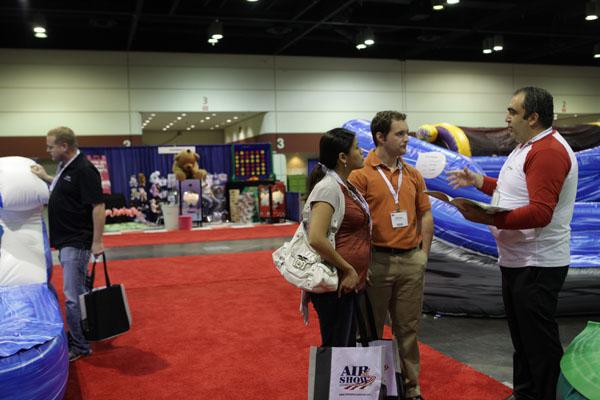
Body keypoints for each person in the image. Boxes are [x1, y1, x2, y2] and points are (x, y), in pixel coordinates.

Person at [447, 87, 578, 400]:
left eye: (512, 112)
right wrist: (480, 183)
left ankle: (543, 395)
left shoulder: (546, 151)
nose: (506, 119)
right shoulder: (528, 147)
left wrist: (488, 218)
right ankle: (526, 393)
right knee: (524, 340)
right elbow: (514, 189)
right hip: (520, 260)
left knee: (538, 342)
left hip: (537, 263)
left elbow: (541, 212)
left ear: (532, 118)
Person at [349, 111, 433, 400]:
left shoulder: (413, 175)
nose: (407, 138)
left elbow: (426, 214)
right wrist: (361, 263)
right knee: (370, 329)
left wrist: (424, 255)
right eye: (400, 133)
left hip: (411, 261)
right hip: (376, 262)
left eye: (407, 132)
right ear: (380, 137)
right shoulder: (360, 176)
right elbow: (353, 223)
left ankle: (412, 389)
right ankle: (370, 388)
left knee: (408, 330)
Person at [31, 126, 106, 362]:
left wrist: (97, 241)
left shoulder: (84, 169)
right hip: (67, 240)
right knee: (80, 294)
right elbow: (66, 189)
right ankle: (81, 333)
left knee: (72, 296)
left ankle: (80, 346)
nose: (48, 150)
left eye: (50, 146)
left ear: (64, 146)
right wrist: (46, 177)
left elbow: (98, 206)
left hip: (77, 241)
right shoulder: (67, 167)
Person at [306, 127, 371, 347]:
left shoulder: (346, 186)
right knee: (338, 351)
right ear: (343, 157)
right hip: (336, 284)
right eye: (357, 148)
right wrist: (348, 268)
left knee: (346, 348)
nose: (362, 152)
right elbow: (316, 237)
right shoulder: (328, 189)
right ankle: (330, 384)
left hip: (349, 283)